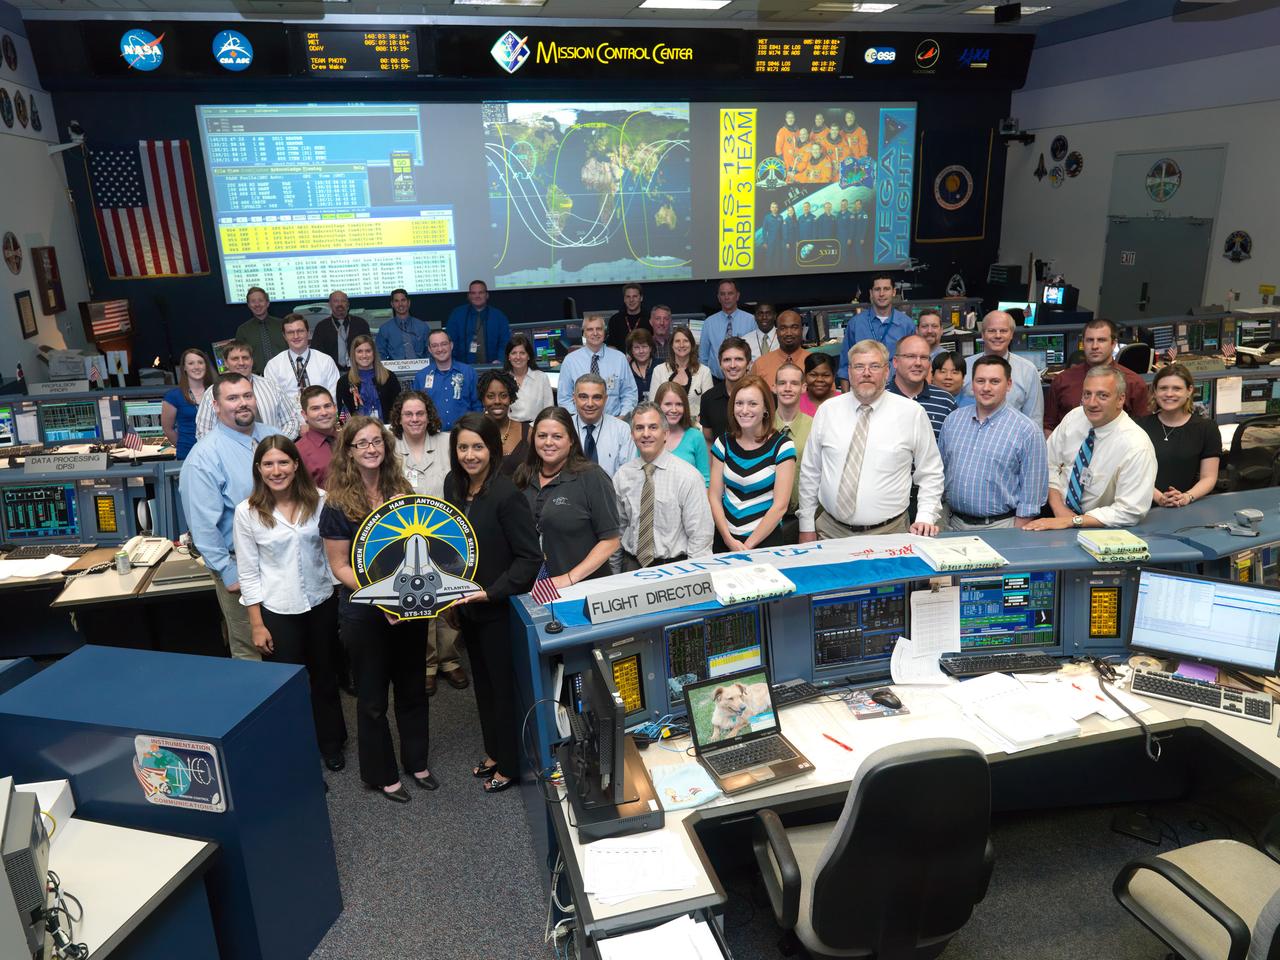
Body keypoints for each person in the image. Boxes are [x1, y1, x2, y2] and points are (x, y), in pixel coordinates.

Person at [321, 416, 434, 802]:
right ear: (349, 452)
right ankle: (382, 774)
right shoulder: (336, 503)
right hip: (365, 612)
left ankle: (416, 761)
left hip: (409, 608)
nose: (371, 449)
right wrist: (382, 596)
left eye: (377, 442)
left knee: (413, 688)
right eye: (362, 443)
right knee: (371, 699)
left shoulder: (401, 489)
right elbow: (339, 566)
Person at [233, 435, 346, 769]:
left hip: (321, 602)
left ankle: (331, 743)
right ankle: (297, 751)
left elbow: (331, 556)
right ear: (258, 469)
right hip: (278, 610)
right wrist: (256, 624)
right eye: (268, 464)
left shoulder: (322, 501)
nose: (276, 470)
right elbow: (248, 572)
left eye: (283, 462)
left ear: (296, 465)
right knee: (287, 687)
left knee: (326, 677)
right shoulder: (248, 512)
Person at [442, 413, 541, 793]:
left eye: (478, 447)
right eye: (463, 447)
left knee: (503, 689)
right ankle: (495, 751)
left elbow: (530, 558)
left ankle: (513, 764)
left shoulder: (506, 494)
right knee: (482, 686)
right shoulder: (453, 484)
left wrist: (491, 591)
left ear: (492, 450)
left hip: (498, 608)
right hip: (467, 608)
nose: (470, 455)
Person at [179, 373, 281, 660]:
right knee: (254, 648)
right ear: (216, 405)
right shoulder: (203, 457)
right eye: (232, 398)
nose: (242, 403)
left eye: (247, 395)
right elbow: (202, 525)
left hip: (283, 558)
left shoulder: (275, 438)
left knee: (288, 642)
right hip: (240, 565)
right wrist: (226, 569)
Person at [798, 340, 944, 540]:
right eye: (859, 366)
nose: (866, 373)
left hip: (890, 532)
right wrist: (806, 525)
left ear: (887, 371)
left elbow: (931, 472)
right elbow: (810, 471)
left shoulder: (912, 413)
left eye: (874, 366)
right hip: (830, 531)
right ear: (849, 372)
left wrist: (925, 517)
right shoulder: (828, 411)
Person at [388, 390, 466, 696]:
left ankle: (450, 659)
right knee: (419, 598)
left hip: (445, 533)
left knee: (447, 595)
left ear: (429, 415)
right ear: (399, 417)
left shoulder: (447, 443)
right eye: (408, 414)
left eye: (420, 413)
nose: (415, 419)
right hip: (406, 537)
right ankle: (427, 664)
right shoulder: (391, 448)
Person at [1025, 366, 1158, 531]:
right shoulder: (1074, 417)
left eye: (1103, 395)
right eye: (1087, 394)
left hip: (1099, 528)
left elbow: (1130, 511)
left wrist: (1074, 521)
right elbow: (1048, 464)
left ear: (1120, 399)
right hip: (1053, 512)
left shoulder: (1136, 445)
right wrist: (1059, 509)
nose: (1091, 403)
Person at [937, 355, 1048, 531]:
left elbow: (1032, 496)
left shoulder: (1027, 430)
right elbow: (940, 472)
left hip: (1001, 527)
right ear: (972, 384)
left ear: (1009, 384)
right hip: (953, 524)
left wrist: (1016, 534)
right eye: (980, 381)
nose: (986, 388)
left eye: (995, 381)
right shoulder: (953, 421)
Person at [514, 406, 621, 587]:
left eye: (557, 436)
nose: (548, 442)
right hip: (533, 589)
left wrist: (570, 578)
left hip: (584, 588)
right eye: (542, 436)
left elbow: (611, 541)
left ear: (571, 439)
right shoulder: (523, 475)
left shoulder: (591, 476)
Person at [614, 402, 713, 569]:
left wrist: (694, 577)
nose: (646, 434)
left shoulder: (688, 477)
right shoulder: (622, 476)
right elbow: (618, 530)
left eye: (653, 427)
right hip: (630, 566)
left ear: (665, 434)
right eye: (639, 428)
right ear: (632, 435)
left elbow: (701, 536)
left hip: (673, 568)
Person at [710, 374, 796, 551]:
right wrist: (727, 539)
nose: (744, 410)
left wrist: (747, 546)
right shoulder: (723, 443)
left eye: (752, 403)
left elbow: (780, 506)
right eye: (739, 403)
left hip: (765, 542)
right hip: (724, 540)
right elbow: (714, 495)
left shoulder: (783, 446)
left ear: (765, 408)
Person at [1045, 319, 1150, 432]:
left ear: (1113, 344)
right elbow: (1049, 426)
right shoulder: (1063, 380)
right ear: (1083, 343)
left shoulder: (1133, 383)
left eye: (1101, 340)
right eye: (1090, 340)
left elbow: (1143, 428)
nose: (1095, 346)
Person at [1139, 363, 1220, 508]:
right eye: (1163, 388)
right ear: (1155, 392)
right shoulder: (1139, 427)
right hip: (1145, 506)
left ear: (1189, 391)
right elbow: (1134, 475)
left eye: (1177, 388)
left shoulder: (1207, 428)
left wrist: (1186, 497)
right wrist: (1160, 497)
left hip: (1186, 507)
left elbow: (1209, 477)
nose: (1169, 394)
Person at [195, 341, 301, 440]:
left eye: (245, 358)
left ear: (252, 361)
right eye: (235, 359)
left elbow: (291, 421)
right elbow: (204, 432)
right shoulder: (212, 393)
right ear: (226, 363)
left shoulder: (271, 386)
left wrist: (277, 445)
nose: (241, 363)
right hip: (232, 456)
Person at [960, 311, 1044, 427]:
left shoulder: (1027, 370)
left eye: (1003, 331)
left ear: (1011, 334)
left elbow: (1034, 418)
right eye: (992, 331)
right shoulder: (964, 366)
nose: (998, 335)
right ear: (983, 334)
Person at [838, 274, 915, 386]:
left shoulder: (906, 324)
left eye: (886, 289)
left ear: (893, 292)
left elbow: (912, 362)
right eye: (877, 289)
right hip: (864, 388)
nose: (882, 294)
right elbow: (845, 365)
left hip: (898, 391)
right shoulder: (855, 324)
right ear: (871, 293)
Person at [556, 315, 636, 419]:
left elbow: (629, 393)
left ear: (605, 332)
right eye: (590, 329)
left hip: (615, 421)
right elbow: (564, 398)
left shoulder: (619, 358)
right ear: (584, 333)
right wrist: (576, 420)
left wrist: (623, 417)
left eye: (599, 329)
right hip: (580, 423)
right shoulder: (570, 361)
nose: (595, 333)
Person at [887, 334, 956, 439]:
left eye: (924, 357)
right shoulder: (880, 397)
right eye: (911, 356)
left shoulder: (946, 401)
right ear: (895, 362)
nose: (918, 363)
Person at [264, 313, 340, 407]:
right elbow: (273, 400)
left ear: (308, 333)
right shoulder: (273, 365)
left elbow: (334, 395)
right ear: (284, 336)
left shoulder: (325, 361)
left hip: (322, 416)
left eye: (300, 331)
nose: (296, 336)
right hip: (289, 420)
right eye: (290, 332)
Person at [412, 329, 480, 430]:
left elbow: (477, 406)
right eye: (435, 346)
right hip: (433, 435)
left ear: (451, 345)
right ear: (430, 350)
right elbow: (416, 410)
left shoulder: (468, 373)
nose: (440, 349)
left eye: (443, 344)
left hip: (464, 433)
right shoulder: (421, 377)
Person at [570, 373, 634, 478]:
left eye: (597, 397)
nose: (590, 404)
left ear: (605, 399)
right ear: (574, 398)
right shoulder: (564, 428)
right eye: (583, 397)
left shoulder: (622, 430)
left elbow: (628, 475)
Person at [651, 326, 713, 425]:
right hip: (665, 427)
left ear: (692, 344)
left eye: (685, 341)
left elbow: (709, 406)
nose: (681, 345)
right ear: (671, 345)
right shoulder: (658, 371)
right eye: (677, 341)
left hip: (695, 427)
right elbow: (653, 405)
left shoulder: (704, 372)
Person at [654, 382, 710, 486]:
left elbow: (705, 480)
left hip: (690, 500)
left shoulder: (695, 436)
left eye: (679, 404)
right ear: (658, 406)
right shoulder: (648, 436)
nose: (674, 410)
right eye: (668, 404)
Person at [774, 362, 812, 513]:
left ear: (803, 388)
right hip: (766, 515)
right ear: (774, 387)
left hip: (805, 513)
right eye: (782, 383)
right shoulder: (761, 427)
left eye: (794, 383)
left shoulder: (815, 427)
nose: (788, 388)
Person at [336, 334, 402, 422]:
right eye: (359, 351)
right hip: (357, 432)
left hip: (387, 429)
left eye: (368, 351)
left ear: (374, 353)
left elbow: (398, 409)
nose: (364, 355)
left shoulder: (389, 377)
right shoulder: (344, 382)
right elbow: (342, 414)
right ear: (353, 354)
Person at [698, 280, 756, 380]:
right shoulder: (709, 323)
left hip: (744, 380)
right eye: (722, 294)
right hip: (715, 381)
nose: (726, 297)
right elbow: (703, 357)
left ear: (737, 296)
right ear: (718, 298)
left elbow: (754, 354)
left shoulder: (751, 320)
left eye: (730, 293)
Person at [162, 348, 213, 459]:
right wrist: (184, 446)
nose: (196, 367)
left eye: (200, 362)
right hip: (188, 454)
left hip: (214, 453)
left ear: (206, 366)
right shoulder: (173, 396)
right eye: (191, 363)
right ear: (184, 368)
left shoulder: (216, 392)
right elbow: (167, 428)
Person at [446, 280, 510, 366]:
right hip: (462, 369)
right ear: (469, 296)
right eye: (473, 293)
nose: (477, 296)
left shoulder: (499, 316)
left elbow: (505, 343)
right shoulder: (457, 315)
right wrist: (454, 364)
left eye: (481, 292)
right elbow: (449, 342)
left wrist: (500, 361)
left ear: (487, 295)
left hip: (493, 368)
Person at [477, 369, 529, 475]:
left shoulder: (528, 432)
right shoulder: (474, 431)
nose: (497, 401)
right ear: (483, 400)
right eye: (490, 396)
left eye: (503, 396)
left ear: (511, 398)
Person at [701, 337, 751, 442]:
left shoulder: (763, 396)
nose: (732, 365)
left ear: (749, 364)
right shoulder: (708, 398)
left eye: (738, 359)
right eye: (727, 360)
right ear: (720, 364)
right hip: (720, 458)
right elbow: (709, 440)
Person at [311, 290, 370, 373]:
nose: (340, 304)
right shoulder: (321, 327)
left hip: (358, 371)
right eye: (336, 301)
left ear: (348, 305)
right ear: (330, 305)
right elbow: (316, 354)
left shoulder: (361, 324)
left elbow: (369, 349)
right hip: (330, 371)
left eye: (343, 301)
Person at [752, 309, 812, 389]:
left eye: (794, 327)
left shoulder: (814, 363)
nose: (789, 333)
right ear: (776, 333)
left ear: (802, 330)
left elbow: (829, 399)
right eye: (783, 328)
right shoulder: (760, 364)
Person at [503, 334, 553, 423]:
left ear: (528, 356)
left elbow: (549, 410)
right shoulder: (502, 379)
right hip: (511, 430)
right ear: (508, 357)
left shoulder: (541, 377)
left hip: (536, 428)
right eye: (514, 353)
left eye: (522, 353)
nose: (518, 357)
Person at [236, 286, 286, 375]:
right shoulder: (243, 330)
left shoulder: (282, 325)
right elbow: (240, 357)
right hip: (257, 378)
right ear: (248, 305)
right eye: (253, 301)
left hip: (285, 374)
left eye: (260, 300)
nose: (257, 304)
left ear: (267, 303)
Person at [296, 386, 339, 486]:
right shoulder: (298, 452)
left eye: (327, 406)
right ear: (304, 415)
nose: (324, 413)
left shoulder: (350, 439)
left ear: (335, 408)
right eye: (315, 408)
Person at [374, 289, 430, 361]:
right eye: (396, 301)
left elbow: (430, 352)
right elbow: (380, 354)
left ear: (409, 303)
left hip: (421, 369)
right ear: (392, 304)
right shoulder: (385, 329)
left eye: (403, 300)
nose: (400, 304)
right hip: (394, 370)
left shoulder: (423, 327)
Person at [606, 283, 651, 350]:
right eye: (628, 297)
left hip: (644, 358)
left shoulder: (650, 319)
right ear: (624, 299)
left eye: (635, 296)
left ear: (641, 298)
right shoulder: (615, 320)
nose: (631, 300)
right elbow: (611, 345)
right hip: (621, 359)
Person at [800, 352, 840, 417]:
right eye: (813, 375)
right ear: (805, 377)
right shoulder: (796, 403)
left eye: (826, 375)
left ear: (834, 377)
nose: (819, 380)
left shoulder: (843, 401)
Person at [626, 328, 657, 403]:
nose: (641, 351)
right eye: (636, 347)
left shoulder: (661, 366)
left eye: (644, 346)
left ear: (650, 348)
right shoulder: (626, 370)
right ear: (631, 350)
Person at [761, 203, 784, 272]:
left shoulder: (780, 217)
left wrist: (783, 240)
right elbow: (764, 230)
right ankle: (768, 272)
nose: (774, 209)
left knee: (778, 257)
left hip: (778, 240)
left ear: (777, 208)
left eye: (776, 207)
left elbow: (782, 230)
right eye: (773, 207)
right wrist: (765, 242)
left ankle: (777, 272)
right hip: (770, 240)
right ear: (770, 208)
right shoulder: (767, 217)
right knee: (769, 257)